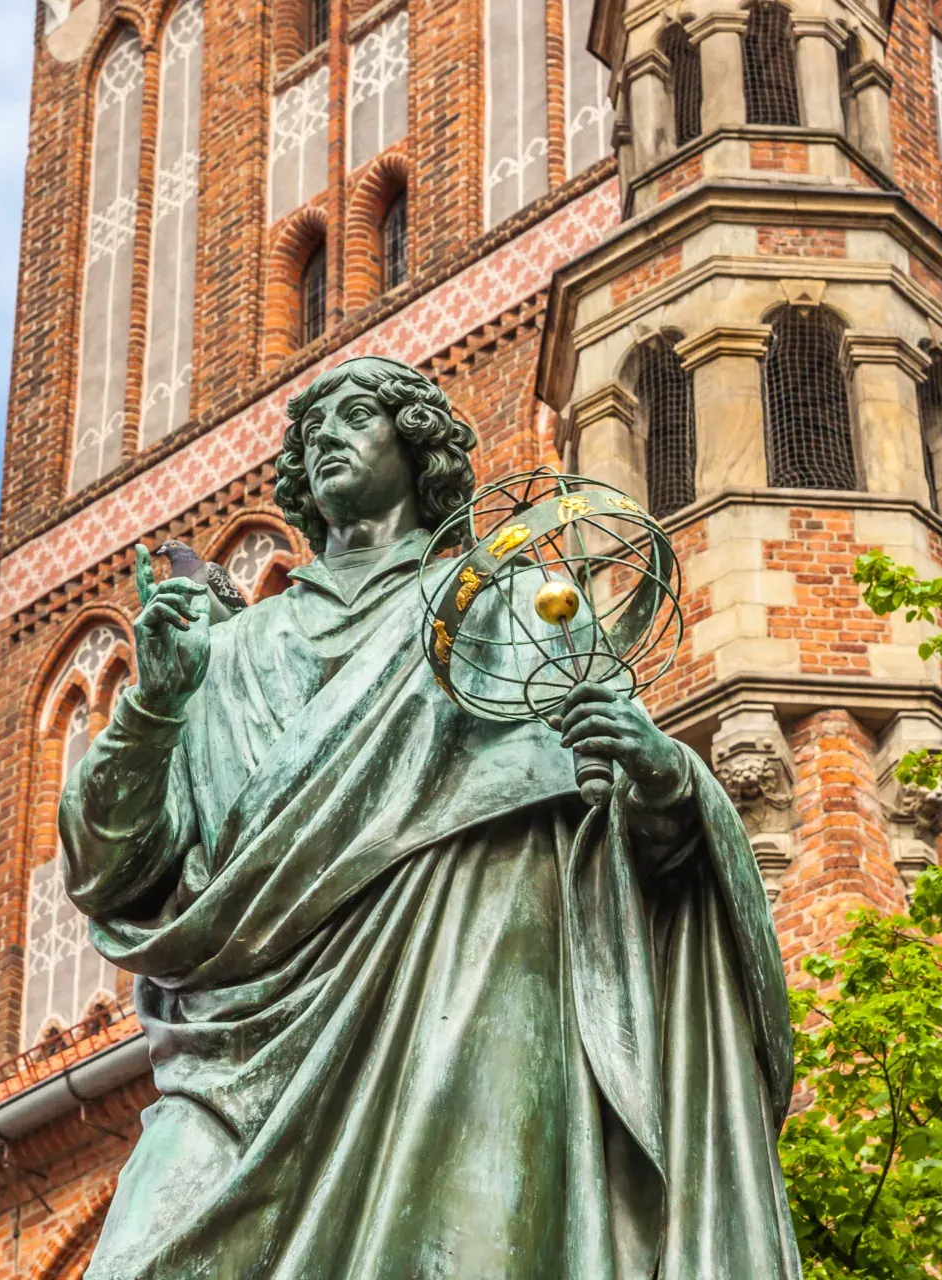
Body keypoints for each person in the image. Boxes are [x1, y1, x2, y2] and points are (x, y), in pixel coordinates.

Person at [61, 356, 802, 1278]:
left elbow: (629, 839)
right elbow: (110, 873)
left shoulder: (512, 610)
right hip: (239, 1046)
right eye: (311, 427)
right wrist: (151, 710)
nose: (326, 434)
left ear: (416, 448)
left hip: (471, 1000)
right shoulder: (226, 653)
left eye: (357, 414)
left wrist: (662, 780)